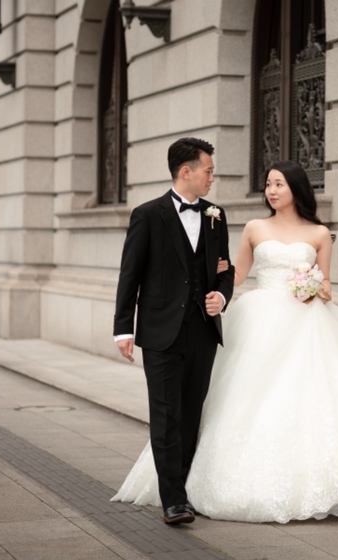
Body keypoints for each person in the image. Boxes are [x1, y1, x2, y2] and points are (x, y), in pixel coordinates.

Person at [113, 160, 338, 523]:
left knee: (312, 397)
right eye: (268, 185)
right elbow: (236, 273)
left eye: (278, 184)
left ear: (296, 188)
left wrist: (313, 290)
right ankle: (180, 488)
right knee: (237, 396)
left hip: (308, 324)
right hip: (260, 319)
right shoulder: (253, 227)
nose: (271, 191)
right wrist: (217, 288)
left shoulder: (320, 234)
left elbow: (327, 285)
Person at [112, 137, 235, 525]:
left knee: (190, 412)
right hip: (160, 330)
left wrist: (222, 296)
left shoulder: (217, 215)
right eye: (209, 170)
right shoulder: (147, 215)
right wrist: (122, 329)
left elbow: (224, 268)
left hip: (202, 331)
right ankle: (173, 500)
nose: (213, 177)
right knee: (165, 414)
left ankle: (183, 486)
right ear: (187, 172)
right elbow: (129, 275)